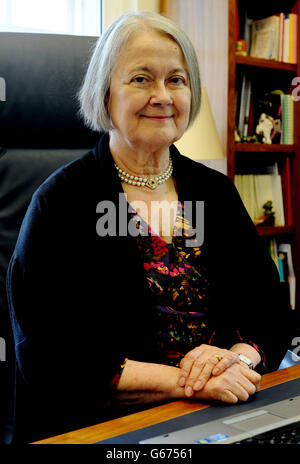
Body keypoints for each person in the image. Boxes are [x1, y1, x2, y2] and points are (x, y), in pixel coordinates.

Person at [7, 11, 291, 443]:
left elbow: (268, 311)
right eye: (141, 79)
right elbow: (51, 358)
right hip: (110, 429)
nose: (162, 95)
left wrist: (239, 360)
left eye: (176, 79)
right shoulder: (60, 204)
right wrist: (189, 381)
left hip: (226, 413)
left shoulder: (213, 193)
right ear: (105, 96)